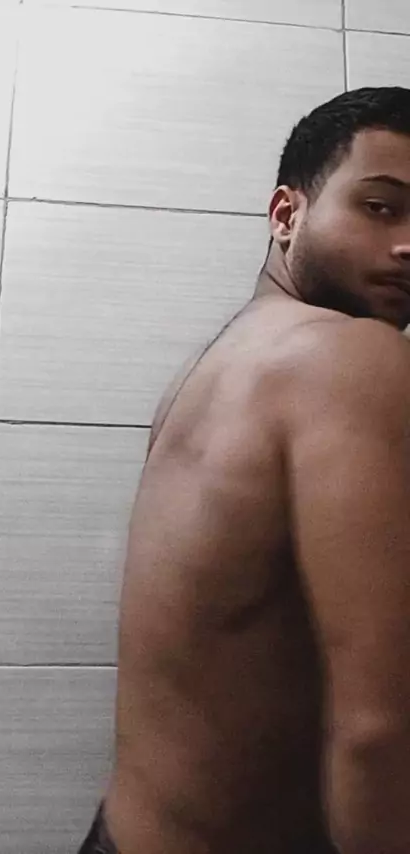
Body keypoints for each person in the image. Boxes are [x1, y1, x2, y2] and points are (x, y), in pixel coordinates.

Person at [78, 87, 410, 854]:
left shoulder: (211, 368)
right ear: (286, 214)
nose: (407, 243)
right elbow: (379, 730)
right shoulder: (353, 358)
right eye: (381, 207)